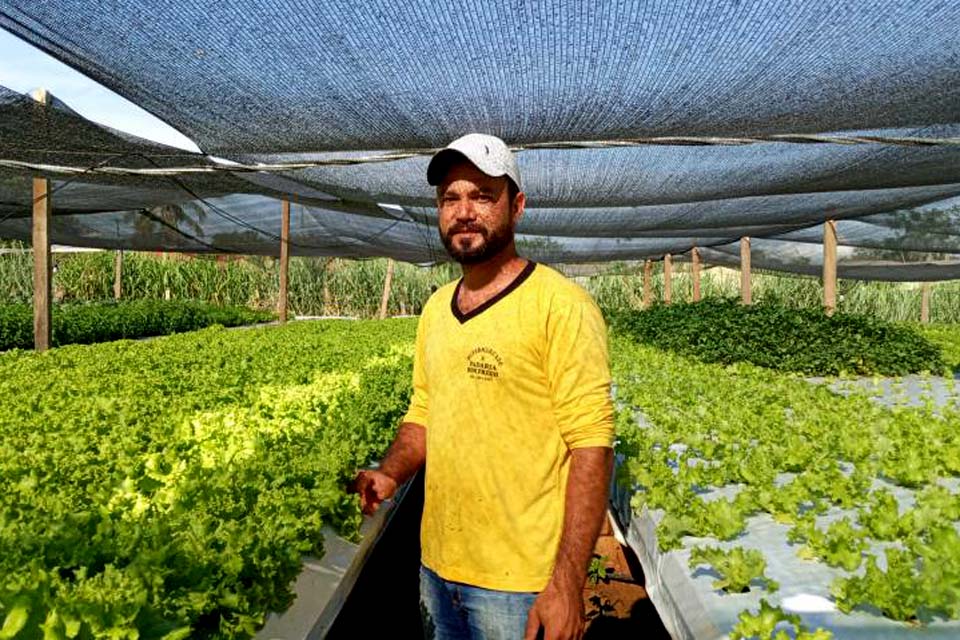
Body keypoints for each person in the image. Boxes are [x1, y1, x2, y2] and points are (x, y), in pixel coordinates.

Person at [353, 133, 614, 640]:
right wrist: (390, 474)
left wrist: (566, 582)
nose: (464, 211)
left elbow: (592, 446)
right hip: (438, 566)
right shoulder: (435, 309)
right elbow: (424, 411)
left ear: (516, 207)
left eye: (482, 195)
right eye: (451, 198)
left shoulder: (561, 306)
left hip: (522, 584)